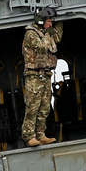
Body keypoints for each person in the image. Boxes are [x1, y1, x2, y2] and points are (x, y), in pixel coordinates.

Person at [21, 9, 59, 146]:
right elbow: (42, 47)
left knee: (44, 107)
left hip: (45, 74)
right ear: (41, 21)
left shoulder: (45, 33)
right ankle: (28, 135)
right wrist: (49, 35)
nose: (50, 25)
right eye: (49, 22)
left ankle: (40, 134)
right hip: (34, 75)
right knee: (32, 106)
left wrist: (57, 26)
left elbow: (57, 40)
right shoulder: (31, 34)